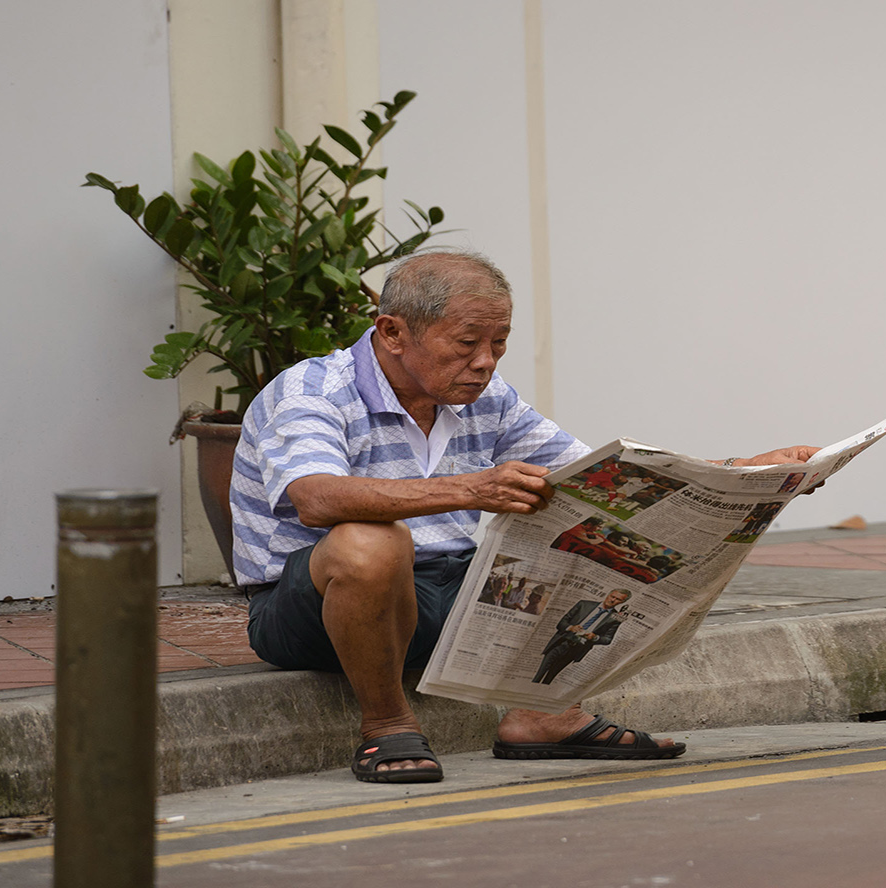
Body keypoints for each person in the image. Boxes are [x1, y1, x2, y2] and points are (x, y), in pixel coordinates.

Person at [231, 249, 820, 783]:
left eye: (499, 344)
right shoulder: (311, 391)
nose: (484, 363)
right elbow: (316, 498)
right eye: (466, 343)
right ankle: (387, 725)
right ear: (392, 332)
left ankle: (542, 715)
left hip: (441, 593)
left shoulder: (487, 397)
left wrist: (747, 470)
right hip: (311, 607)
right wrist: (472, 488)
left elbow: (596, 476)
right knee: (370, 543)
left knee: (592, 530)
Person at [532, 589, 631, 685]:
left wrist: (595, 637)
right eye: (612, 596)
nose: (612, 600)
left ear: (622, 602)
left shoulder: (615, 618)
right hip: (561, 642)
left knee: (550, 677)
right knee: (538, 675)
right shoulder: (584, 604)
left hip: (577, 648)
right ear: (608, 595)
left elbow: (608, 639)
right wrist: (571, 628)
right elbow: (562, 623)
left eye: (618, 599)